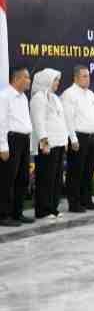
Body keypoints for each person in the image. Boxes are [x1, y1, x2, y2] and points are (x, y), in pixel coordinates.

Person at [62, 65, 94, 213]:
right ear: (75, 78)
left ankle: (87, 200)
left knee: (89, 171)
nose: (88, 79)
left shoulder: (91, 94)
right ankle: (74, 203)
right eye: (84, 76)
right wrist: (73, 138)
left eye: (88, 76)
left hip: (92, 137)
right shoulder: (69, 94)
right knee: (76, 171)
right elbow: (67, 118)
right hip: (78, 137)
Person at [30, 69, 69, 220]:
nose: (57, 83)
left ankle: (53, 207)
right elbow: (38, 122)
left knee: (56, 178)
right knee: (45, 178)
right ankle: (42, 210)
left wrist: (65, 140)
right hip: (47, 145)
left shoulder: (55, 98)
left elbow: (61, 120)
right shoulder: (38, 98)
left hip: (59, 143)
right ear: (46, 80)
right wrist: (44, 142)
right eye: (55, 80)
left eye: (58, 80)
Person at [0, 67, 35, 227]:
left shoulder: (23, 98)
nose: (29, 80)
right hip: (11, 140)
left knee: (23, 178)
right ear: (16, 79)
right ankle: (3, 215)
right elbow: (1, 123)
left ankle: (17, 212)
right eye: (26, 77)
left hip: (23, 140)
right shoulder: (4, 96)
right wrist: (3, 146)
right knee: (7, 179)